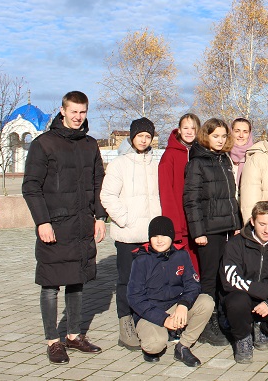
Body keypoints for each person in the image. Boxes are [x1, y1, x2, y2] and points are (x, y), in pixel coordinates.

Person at [22, 90, 105, 364]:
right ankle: (53, 341)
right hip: (55, 225)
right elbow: (31, 186)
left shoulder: (90, 145)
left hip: (82, 224)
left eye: (83, 112)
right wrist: (42, 221)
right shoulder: (44, 144)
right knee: (50, 283)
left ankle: (73, 336)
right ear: (62, 110)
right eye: (74, 111)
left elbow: (98, 184)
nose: (78, 117)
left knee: (77, 280)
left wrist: (100, 218)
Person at [100, 117, 161, 350]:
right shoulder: (120, 164)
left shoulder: (155, 163)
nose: (144, 140)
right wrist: (125, 219)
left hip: (151, 236)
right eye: (140, 136)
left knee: (150, 281)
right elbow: (107, 196)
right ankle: (125, 324)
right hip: (128, 235)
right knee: (126, 281)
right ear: (132, 137)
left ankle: (145, 320)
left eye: (148, 136)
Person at [183, 118, 242, 346]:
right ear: (205, 136)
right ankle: (206, 324)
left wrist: (236, 224)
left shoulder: (224, 159)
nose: (220, 140)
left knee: (224, 276)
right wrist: (198, 231)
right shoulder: (197, 163)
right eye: (215, 136)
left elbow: (230, 196)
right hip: (208, 230)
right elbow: (191, 200)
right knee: (208, 279)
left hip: (227, 228)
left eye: (223, 136)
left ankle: (221, 317)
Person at [127, 216, 213, 367]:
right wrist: (163, 319)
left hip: (175, 306)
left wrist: (183, 305)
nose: (159, 240)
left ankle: (182, 346)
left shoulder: (181, 255)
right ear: (150, 238)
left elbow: (193, 284)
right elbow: (135, 298)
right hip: (150, 312)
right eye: (155, 236)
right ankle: (158, 334)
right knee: (155, 346)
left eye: (164, 236)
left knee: (206, 302)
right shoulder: (141, 260)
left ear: (172, 237)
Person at [221, 201, 268, 363]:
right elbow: (231, 280)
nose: (267, 230)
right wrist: (267, 292)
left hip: (267, 300)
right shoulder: (235, 244)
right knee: (237, 301)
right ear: (252, 221)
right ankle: (242, 337)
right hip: (242, 296)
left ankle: (261, 327)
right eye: (262, 224)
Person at [159, 113, 201, 274]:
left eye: (193, 128)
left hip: (198, 223)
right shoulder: (170, 155)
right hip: (180, 222)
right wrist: (173, 225)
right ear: (179, 130)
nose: (189, 132)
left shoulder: (201, 152)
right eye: (186, 128)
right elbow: (166, 192)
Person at [229, 117, 253, 188]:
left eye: (245, 132)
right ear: (231, 132)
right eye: (237, 131)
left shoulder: (255, 156)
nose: (241, 135)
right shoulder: (222, 156)